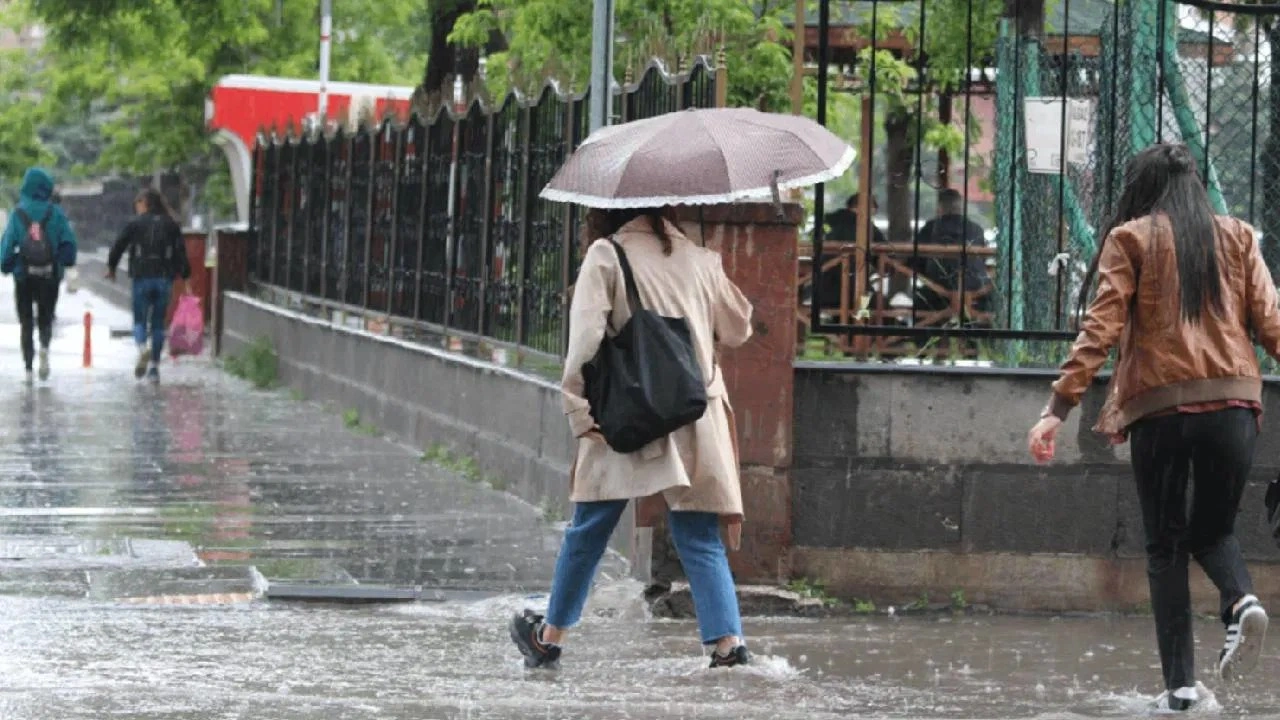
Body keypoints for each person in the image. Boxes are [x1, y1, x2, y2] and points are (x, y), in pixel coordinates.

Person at [1027, 143, 1272, 712]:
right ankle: (1241, 602)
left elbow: (1100, 330)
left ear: (1142, 188)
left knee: (1165, 546)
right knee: (1213, 533)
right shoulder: (1238, 236)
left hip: (1161, 410)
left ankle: (1182, 691)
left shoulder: (1131, 238)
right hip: (1236, 406)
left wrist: (1057, 408)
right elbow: (1272, 321)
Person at [509, 207, 754, 670]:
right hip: (695, 413)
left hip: (630, 412)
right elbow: (739, 329)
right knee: (699, 535)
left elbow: (584, 343)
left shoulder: (607, 255)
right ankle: (728, 647)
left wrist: (577, 409)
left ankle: (548, 638)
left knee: (590, 527)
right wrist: (705, 275)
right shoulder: (701, 259)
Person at [106, 188, 191, 383]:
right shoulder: (171, 224)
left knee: (139, 321)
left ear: (144, 203)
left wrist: (111, 267)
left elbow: (119, 245)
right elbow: (180, 252)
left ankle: (142, 348)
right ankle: (154, 368)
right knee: (158, 324)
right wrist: (186, 278)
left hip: (141, 277)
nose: (136, 208)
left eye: (138, 204)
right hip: (163, 279)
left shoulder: (135, 224)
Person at [0, 168, 77, 382]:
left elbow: (7, 245)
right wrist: (62, 262)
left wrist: (7, 265)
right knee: (45, 318)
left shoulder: (18, 213)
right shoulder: (56, 213)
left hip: (24, 276)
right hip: (49, 275)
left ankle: (28, 370)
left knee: (26, 322)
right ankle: (44, 347)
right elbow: (69, 244)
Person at [912, 188, 991, 315]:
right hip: (976, 291)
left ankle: (921, 328)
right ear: (961, 208)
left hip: (938, 292)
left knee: (920, 301)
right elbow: (982, 260)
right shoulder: (976, 229)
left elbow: (916, 260)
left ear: (940, 207)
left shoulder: (930, 228)